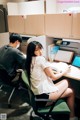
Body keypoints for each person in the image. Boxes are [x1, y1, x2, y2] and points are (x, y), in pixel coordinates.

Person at [25, 41, 77, 120]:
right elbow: (53, 77)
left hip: (38, 96)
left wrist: (56, 72)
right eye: (37, 50)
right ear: (32, 51)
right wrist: (64, 71)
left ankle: (71, 116)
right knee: (66, 81)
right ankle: (68, 113)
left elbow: (44, 72)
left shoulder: (29, 60)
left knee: (70, 91)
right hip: (44, 98)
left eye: (41, 49)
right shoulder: (40, 59)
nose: (40, 51)